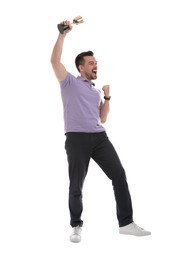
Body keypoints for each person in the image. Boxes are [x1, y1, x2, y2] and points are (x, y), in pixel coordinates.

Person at [50, 20, 151, 243]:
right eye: (91, 63)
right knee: (76, 184)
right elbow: (54, 61)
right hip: (76, 138)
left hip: (99, 138)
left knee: (119, 175)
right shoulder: (69, 83)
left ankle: (126, 223)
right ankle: (76, 225)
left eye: (96, 62)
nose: (96, 65)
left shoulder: (95, 91)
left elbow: (102, 118)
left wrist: (106, 96)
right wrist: (62, 36)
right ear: (81, 67)